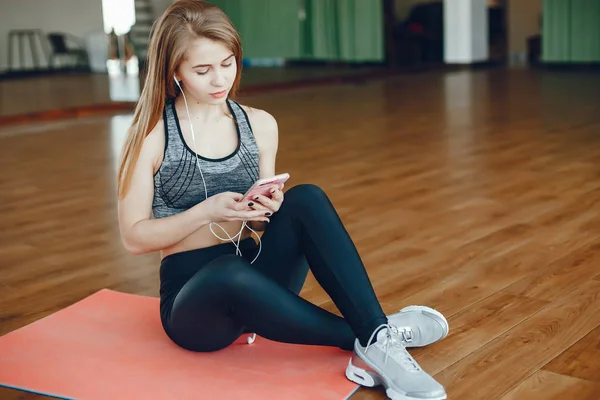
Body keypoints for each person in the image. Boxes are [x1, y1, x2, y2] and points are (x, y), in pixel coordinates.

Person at [116, 1, 448, 399]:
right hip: (195, 307)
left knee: (305, 198)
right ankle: (377, 335)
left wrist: (265, 211)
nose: (220, 79)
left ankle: (375, 338)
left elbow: (259, 224)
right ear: (175, 71)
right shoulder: (151, 135)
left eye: (228, 63)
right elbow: (134, 239)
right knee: (225, 270)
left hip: (256, 273)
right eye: (202, 71)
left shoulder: (259, 124)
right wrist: (205, 212)